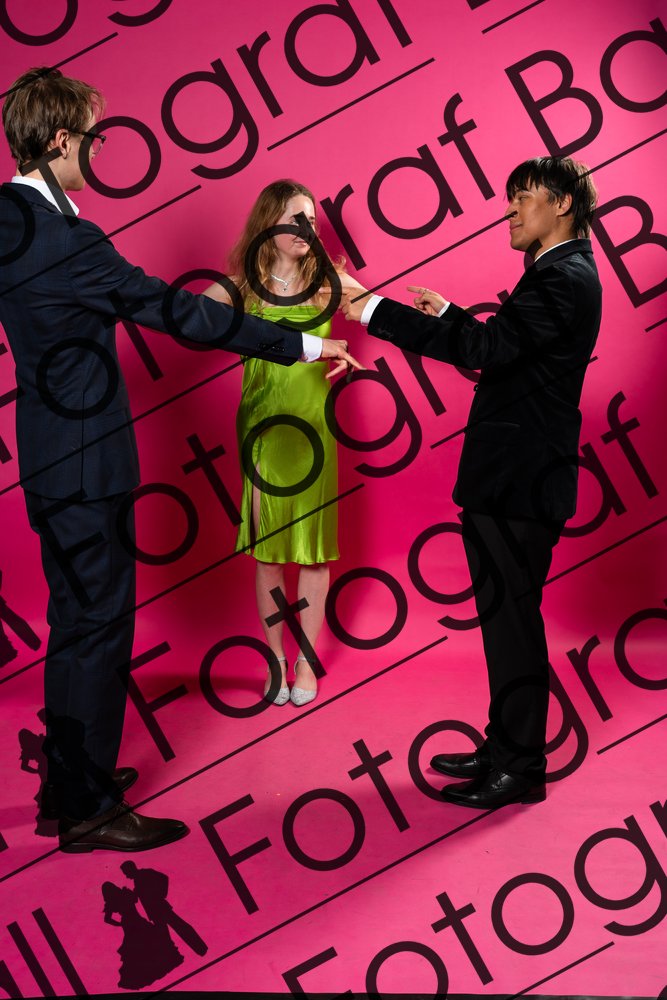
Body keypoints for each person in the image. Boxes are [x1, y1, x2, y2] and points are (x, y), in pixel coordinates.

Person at [0, 68, 360, 852]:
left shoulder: (8, 218)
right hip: (88, 467)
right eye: (91, 139)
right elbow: (182, 316)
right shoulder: (68, 239)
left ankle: (69, 782)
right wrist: (303, 344)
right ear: (59, 141)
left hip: (44, 456)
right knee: (98, 627)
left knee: (71, 621)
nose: (96, 152)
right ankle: (90, 810)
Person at [342, 156, 602, 809]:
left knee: (512, 625)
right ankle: (504, 747)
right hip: (509, 481)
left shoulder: (563, 277)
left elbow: (486, 352)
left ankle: (520, 768)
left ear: (562, 203)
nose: (510, 210)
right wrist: (455, 314)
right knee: (503, 621)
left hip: (520, 483)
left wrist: (370, 308)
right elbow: (508, 347)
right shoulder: (557, 273)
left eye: (523, 197)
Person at [204, 180, 364, 706]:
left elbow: (378, 311)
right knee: (269, 554)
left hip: (314, 433)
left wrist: (433, 318)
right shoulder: (242, 289)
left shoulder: (327, 284)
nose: (306, 230)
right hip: (262, 434)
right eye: (295, 219)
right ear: (267, 224)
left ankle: (305, 660)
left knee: (313, 552)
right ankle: (274, 657)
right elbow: (183, 316)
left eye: (311, 221)